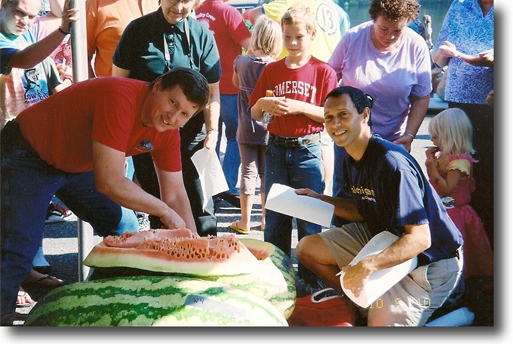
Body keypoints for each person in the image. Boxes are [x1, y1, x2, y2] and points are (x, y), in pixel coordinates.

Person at [1, 67, 210, 324]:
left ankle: (96, 304)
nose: (173, 116)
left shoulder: (169, 132)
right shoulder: (120, 96)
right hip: (27, 154)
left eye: (184, 114)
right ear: (157, 86)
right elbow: (109, 182)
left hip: (75, 166)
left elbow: (176, 194)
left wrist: (194, 253)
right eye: (172, 102)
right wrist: (165, 212)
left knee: (125, 227)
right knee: (16, 249)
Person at [295, 86, 464, 326]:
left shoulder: (391, 162)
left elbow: (420, 239)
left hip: (431, 261)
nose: (335, 124)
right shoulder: (350, 154)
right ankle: (362, 302)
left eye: (343, 114)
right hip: (385, 237)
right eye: (329, 118)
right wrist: (320, 200)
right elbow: (364, 208)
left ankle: (452, 316)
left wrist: (367, 265)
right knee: (306, 249)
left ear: (364, 115)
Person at [249, 3, 338, 292]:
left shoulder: (324, 71)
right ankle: (277, 279)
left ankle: (313, 282)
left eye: (299, 37)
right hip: (276, 148)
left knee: (310, 220)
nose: (293, 43)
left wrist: (300, 106)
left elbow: (330, 115)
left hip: (308, 150)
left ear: (312, 34)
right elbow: (255, 111)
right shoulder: (272, 70)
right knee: (275, 220)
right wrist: (264, 104)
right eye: (287, 37)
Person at [112, 0, 221, 236]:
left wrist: (213, 132)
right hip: (149, 135)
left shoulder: (202, 34)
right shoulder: (137, 30)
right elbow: (118, 86)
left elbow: (212, 92)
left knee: (200, 206)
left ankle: (204, 260)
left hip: (192, 137)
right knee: (159, 206)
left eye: (187, 1)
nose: (180, 6)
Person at [328, 0, 432, 226]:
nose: (390, 36)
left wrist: (411, 134)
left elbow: (422, 95)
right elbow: (328, 78)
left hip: (391, 141)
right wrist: (333, 121)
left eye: (398, 30)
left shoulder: (416, 46)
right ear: (373, 19)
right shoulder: (353, 38)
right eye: (384, 28)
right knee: (346, 199)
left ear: (409, 23)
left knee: (388, 203)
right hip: (349, 140)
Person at [432, 0, 494, 248]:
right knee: (457, 176)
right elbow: (437, 59)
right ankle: (463, 249)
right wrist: (443, 53)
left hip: (493, 103)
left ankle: (490, 250)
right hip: (459, 106)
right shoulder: (459, 6)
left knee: (489, 177)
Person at [425, 108, 493, 287]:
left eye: (436, 136)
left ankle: (457, 287)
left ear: (450, 137)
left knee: (458, 252)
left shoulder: (458, 163)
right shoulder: (444, 158)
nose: (432, 140)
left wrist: (431, 169)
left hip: (455, 215)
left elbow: (446, 189)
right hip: (443, 210)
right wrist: (432, 165)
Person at [229, 16, 282, 234]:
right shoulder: (277, 67)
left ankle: (244, 221)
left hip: (246, 127)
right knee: (265, 174)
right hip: (270, 129)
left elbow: (234, 83)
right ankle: (265, 220)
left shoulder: (240, 62)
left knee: (247, 173)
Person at [196, 0, 251, 201]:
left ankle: (208, 189)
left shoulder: (194, 10)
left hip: (202, 88)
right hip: (229, 87)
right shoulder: (229, 13)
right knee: (236, 136)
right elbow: (250, 46)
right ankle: (226, 186)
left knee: (210, 138)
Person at [242, 0, 350, 63]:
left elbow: (253, 15)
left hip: (298, 68)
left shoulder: (288, 2)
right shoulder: (334, 7)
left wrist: (243, 14)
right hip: (328, 69)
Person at [86, 0, 159, 78]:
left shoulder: (164, 3)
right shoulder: (95, 4)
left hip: (160, 87)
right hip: (114, 87)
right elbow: (80, 59)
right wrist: (96, 89)